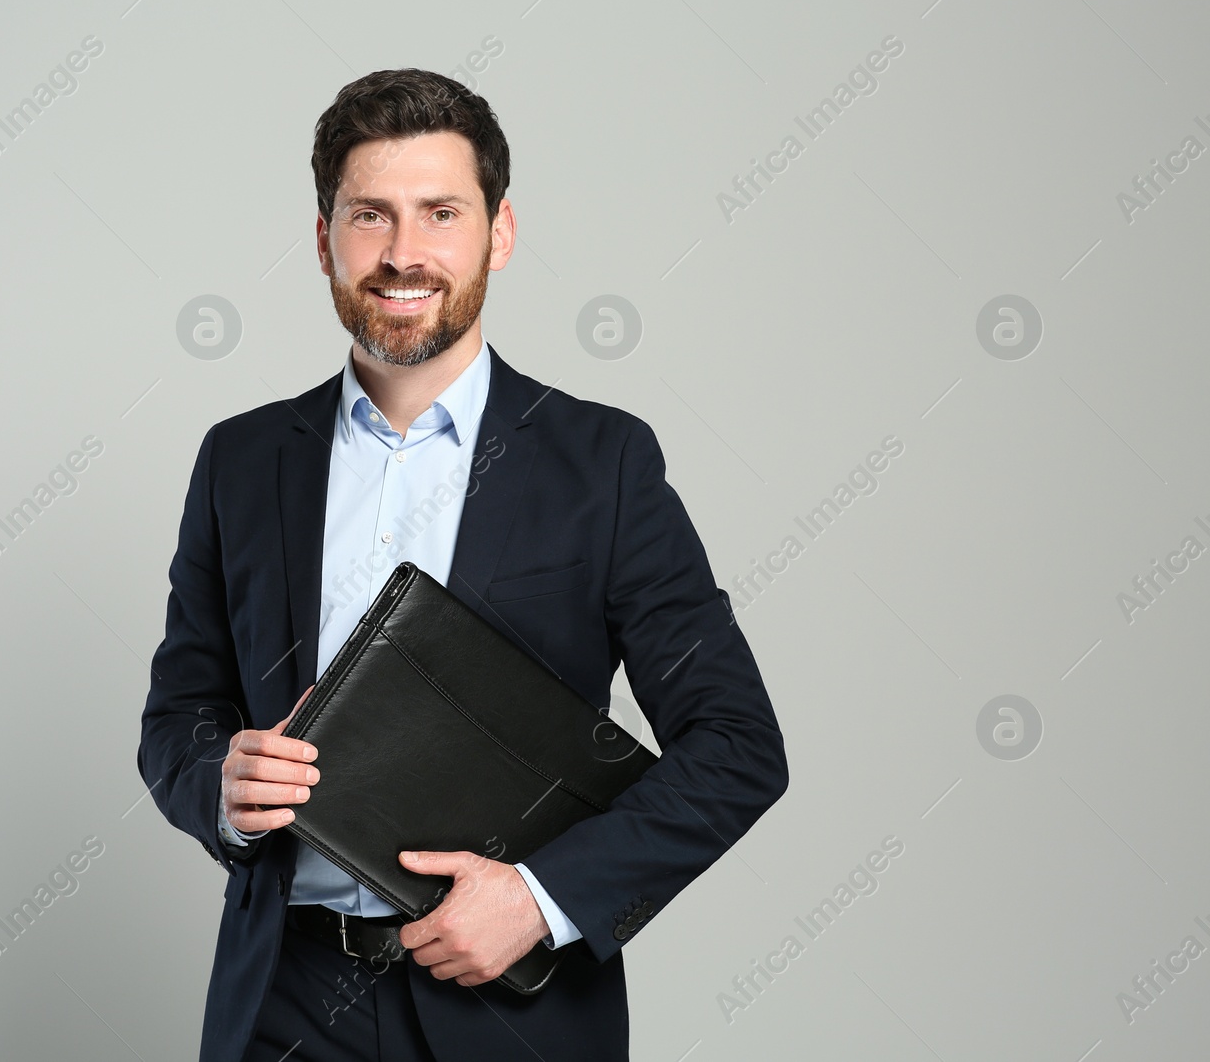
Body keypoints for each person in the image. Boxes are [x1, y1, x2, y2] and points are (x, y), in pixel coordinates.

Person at [139, 67, 789, 1062]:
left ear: (500, 231)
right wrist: (217, 784)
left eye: (440, 213)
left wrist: (543, 897)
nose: (403, 254)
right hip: (282, 1003)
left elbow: (738, 744)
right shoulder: (240, 461)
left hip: (513, 1015)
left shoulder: (600, 466)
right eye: (370, 216)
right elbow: (178, 715)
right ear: (324, 240)